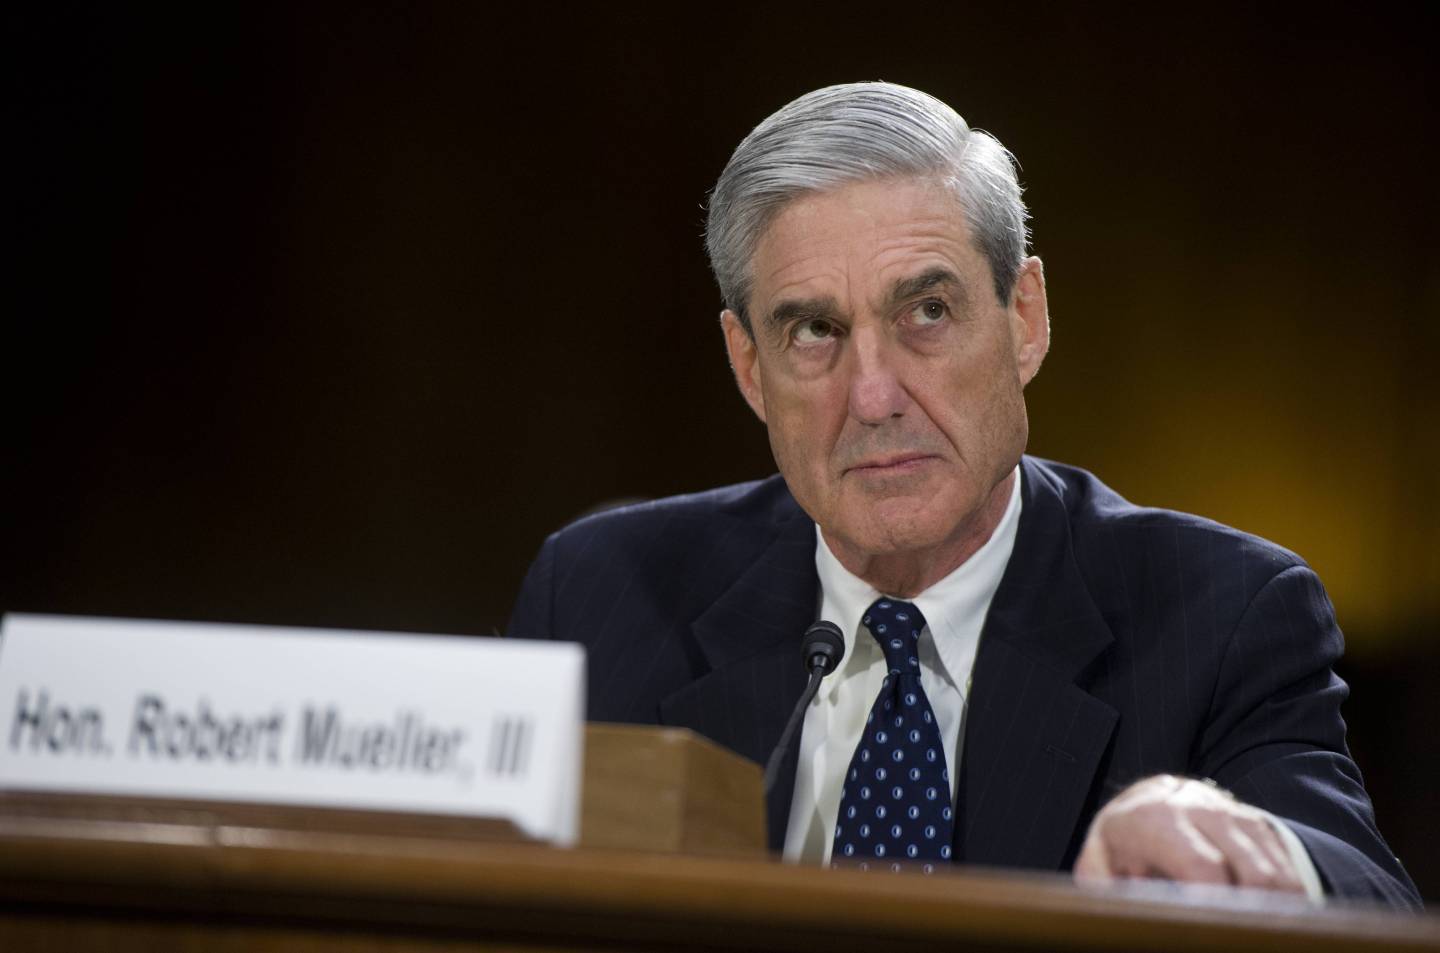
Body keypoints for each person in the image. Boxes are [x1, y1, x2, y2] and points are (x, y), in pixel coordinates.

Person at [507, 82, 1418, 908]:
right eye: (815, 330)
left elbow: (1366, 892)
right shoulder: (600, 593)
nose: (874, 397)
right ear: (749, 366)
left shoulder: (1222, 613)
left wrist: (1245, 845)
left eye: (927, 312)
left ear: (1025, 319)